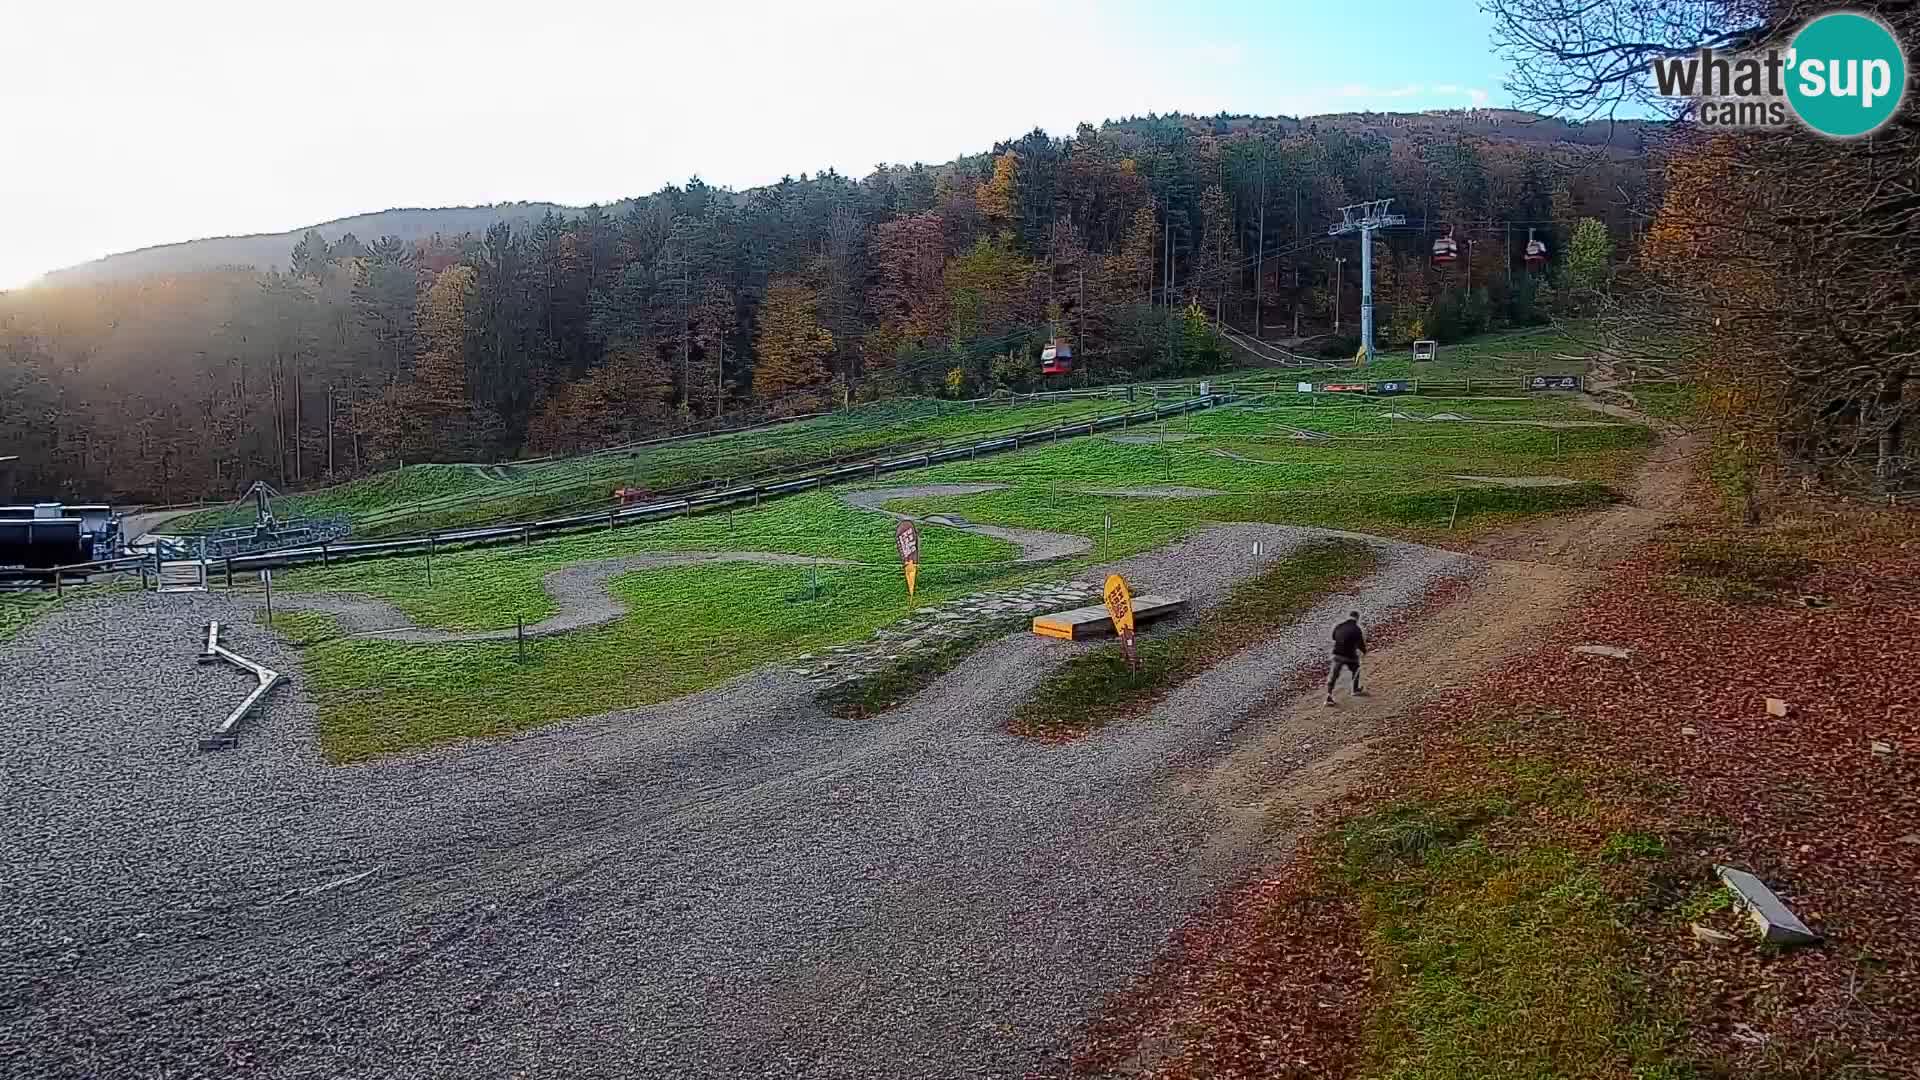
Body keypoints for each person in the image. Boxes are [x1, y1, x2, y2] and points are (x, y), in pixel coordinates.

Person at [1326, 610, 1367, 705]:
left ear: (1349, 616)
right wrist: (1364, 651)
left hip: (1337, 654)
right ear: (1357, 618)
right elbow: (1360, 644)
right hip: (1349, 656)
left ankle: (1329, 695)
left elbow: (1334, 637)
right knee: (1356, 669)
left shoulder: (1339, 626)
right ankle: (1355, 690)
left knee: (1333, 676)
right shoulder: (1356, 629)